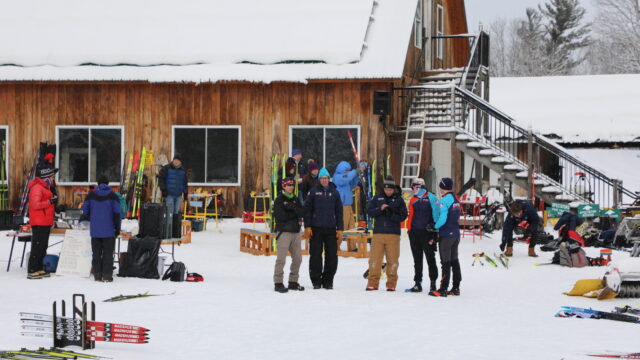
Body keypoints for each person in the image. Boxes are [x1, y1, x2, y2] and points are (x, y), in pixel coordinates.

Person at [365, 176, 408, 291]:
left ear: (394, 189)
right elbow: (369, 211)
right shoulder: (377, 198)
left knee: (393, 260)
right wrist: (380, 209)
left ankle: (391, 284)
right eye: (386, 189)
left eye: (390, 189)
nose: (388, 191)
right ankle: (372, 283)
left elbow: (404, 215)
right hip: (378, 233)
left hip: (393, 234)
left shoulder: (399, 200)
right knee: (374, 260)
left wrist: (391, 214)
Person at [304, 168, 343, 289]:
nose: (324, 180)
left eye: (326, 178)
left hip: (331, 229)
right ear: (319, 179)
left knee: (331, 256)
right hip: (316, 229)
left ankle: (328, 281)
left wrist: (340, 228)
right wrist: (307, 226)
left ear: (329, 179)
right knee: (315, 255)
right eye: (322, 178)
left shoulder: (335, 192)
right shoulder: (313, 192)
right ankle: (316, 280)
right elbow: (307, 211)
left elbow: (339, 212)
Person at [82, 175, 122, 282]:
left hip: (95, 231)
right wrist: (117, 228)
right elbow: (118, 214)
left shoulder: (91, 195)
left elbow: (84, 210)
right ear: (108, 183)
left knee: (96, 254)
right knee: (108, 254)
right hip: (109, 231)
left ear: (98, 184)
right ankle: (107, 275)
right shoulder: (113, 196)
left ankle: (97, 275)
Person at [406, 178, 440, 292]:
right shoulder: (413, 199)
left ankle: (433, 283)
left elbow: (437, 214)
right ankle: (417, 283)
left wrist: (435, 231)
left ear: (420, 187)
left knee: (430, 258)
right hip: (414, 232)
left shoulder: (431, 197)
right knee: (417, 259)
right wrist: (409, 229)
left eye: (414, 187)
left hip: (427, 232)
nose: (413, 190)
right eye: (412, 188)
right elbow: (410, 215)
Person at [429, 177, 462, 297]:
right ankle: (456, 287)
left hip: (446, 235)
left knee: (445, 262)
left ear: (442, 188)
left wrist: (434, 226)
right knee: (454, 260)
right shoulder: (455, 199)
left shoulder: (444, 201)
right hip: (455, 234)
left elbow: (442, 218)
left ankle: (443, 288)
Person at [272, 177, 305, 293]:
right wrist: (294, 212)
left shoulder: (295, 199)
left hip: (295, 232)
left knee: (298, 258)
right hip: (284, 232)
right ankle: (278, 282)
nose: (291, 187)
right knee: (281, 259)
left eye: (292, 185)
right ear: (284, 186)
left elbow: (302, 212)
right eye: (288, 185)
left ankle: (293, 281)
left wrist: (292, 210)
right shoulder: (279, 200)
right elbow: (281, 216)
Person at [27, 166, 58, 279]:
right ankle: (32, 270)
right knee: (37, 246)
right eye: (51, 176)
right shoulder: (37, 188)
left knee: (43, 247)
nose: (52, 178)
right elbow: (35, 204)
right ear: (45, 177)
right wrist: (50, 201)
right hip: (39, 222)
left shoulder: (45, 187)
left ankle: (39, 268)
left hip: (45, 221)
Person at [333, 161, 360, 251]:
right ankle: (335, 246)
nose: (349, 172)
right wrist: (355, 172)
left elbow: (353, 184)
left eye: (349, 170)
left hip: (348, 205)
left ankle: (352, 246)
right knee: (342, 226)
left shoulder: (347, 178)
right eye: (347, 170)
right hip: (341, 206)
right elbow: (346, 178)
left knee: (351, 227)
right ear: (343, 170)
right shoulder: (337, 177)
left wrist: (357, 176)